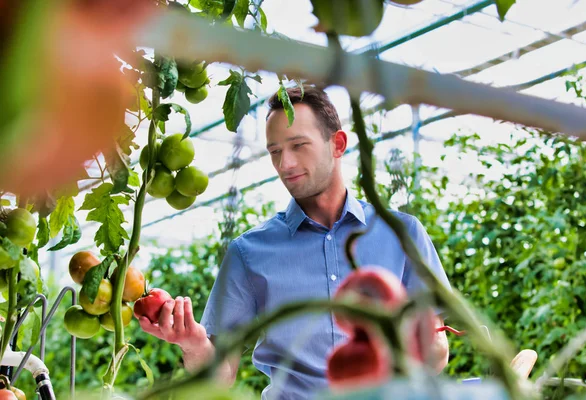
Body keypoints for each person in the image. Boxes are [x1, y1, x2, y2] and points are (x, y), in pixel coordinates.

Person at [138, 86, 452, 399]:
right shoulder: (249, 252)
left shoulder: (403, 234)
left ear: (337, 144)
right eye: (275, 151)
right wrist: (193, 344)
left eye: (299, 145)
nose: (285, 164)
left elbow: (437, 354)